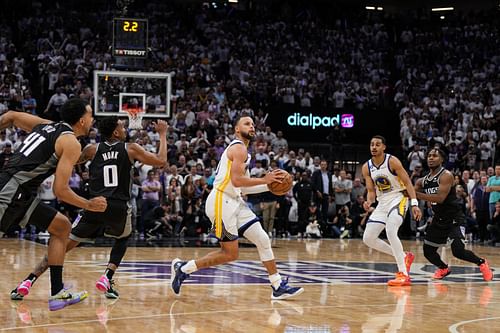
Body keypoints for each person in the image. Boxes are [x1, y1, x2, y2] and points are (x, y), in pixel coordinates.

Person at [10, 117, 168, 301]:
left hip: (93, 206)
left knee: (61, 247)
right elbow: (161, 161)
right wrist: (162, 134)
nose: (125, 129)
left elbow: (67, 162)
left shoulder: (91, 150)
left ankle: (28, 280)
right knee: (124, 238)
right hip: (118, 206)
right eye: (122, 127)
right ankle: (107, 277)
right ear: (116, 133)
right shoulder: (130, 148)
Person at [170, 115, 303, 299]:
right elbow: (237, 180)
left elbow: (242, 186)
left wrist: (269, 186)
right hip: (220, 202)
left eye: (253, 125)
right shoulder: (238, 148)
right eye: (247, 123)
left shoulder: (244, 152)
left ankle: (277, 285)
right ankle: (183, 268)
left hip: (234, 201)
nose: (252, 127)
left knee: (263, 239)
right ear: (237, 130)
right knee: (229, 254)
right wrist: (265, 179)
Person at [0, 98, 107, 311]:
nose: (92, 118)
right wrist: (89, 204)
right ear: (82, 121)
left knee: (61, 227)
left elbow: (11, 116)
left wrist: (80, 159)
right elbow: (61, 191)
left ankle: (57, 292)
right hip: (11, 190)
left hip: (21, 193)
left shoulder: (46, 126)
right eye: (90, 114)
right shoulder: (71, 142)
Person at [415, 148, 493, 281]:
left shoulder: (446, 175)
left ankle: (482, 263)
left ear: (442, 160)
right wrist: (414, 205)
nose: (431, 158)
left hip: (454, 218)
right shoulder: (422, 181)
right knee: (428, 251)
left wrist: (417, 194)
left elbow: (440, 198)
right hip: (438, 219)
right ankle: (443, 268)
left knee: (458, 251)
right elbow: (412, 194)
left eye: (435, 156)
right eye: (429, 156)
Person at [361, 135, 421, 286]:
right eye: (372, 144)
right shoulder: (366, 167)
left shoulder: (392, 161)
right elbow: (371, 191)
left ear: (383, 147)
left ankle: (403, 274)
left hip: (399, 197)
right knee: (368, 238)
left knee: (391, 230)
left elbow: (408, 182)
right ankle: (403, 256)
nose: (374, 147)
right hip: (382, 202)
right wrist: (368, 202)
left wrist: (414, 203)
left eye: (377, 144)